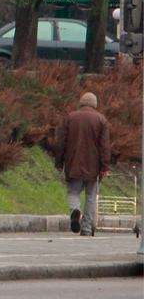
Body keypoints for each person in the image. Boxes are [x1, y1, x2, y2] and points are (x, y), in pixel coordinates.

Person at [56, 91, 111, 236]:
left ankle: (75, 210)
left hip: (73, 162)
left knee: (73, 192)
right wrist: (105, 166)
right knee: (91, 196)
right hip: (93, 167)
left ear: (81, 103)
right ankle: (86, 228)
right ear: (95, 104)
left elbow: (62, 142)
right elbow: (104, 146)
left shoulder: (70, 118)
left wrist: (59, 162)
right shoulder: (101, 120)